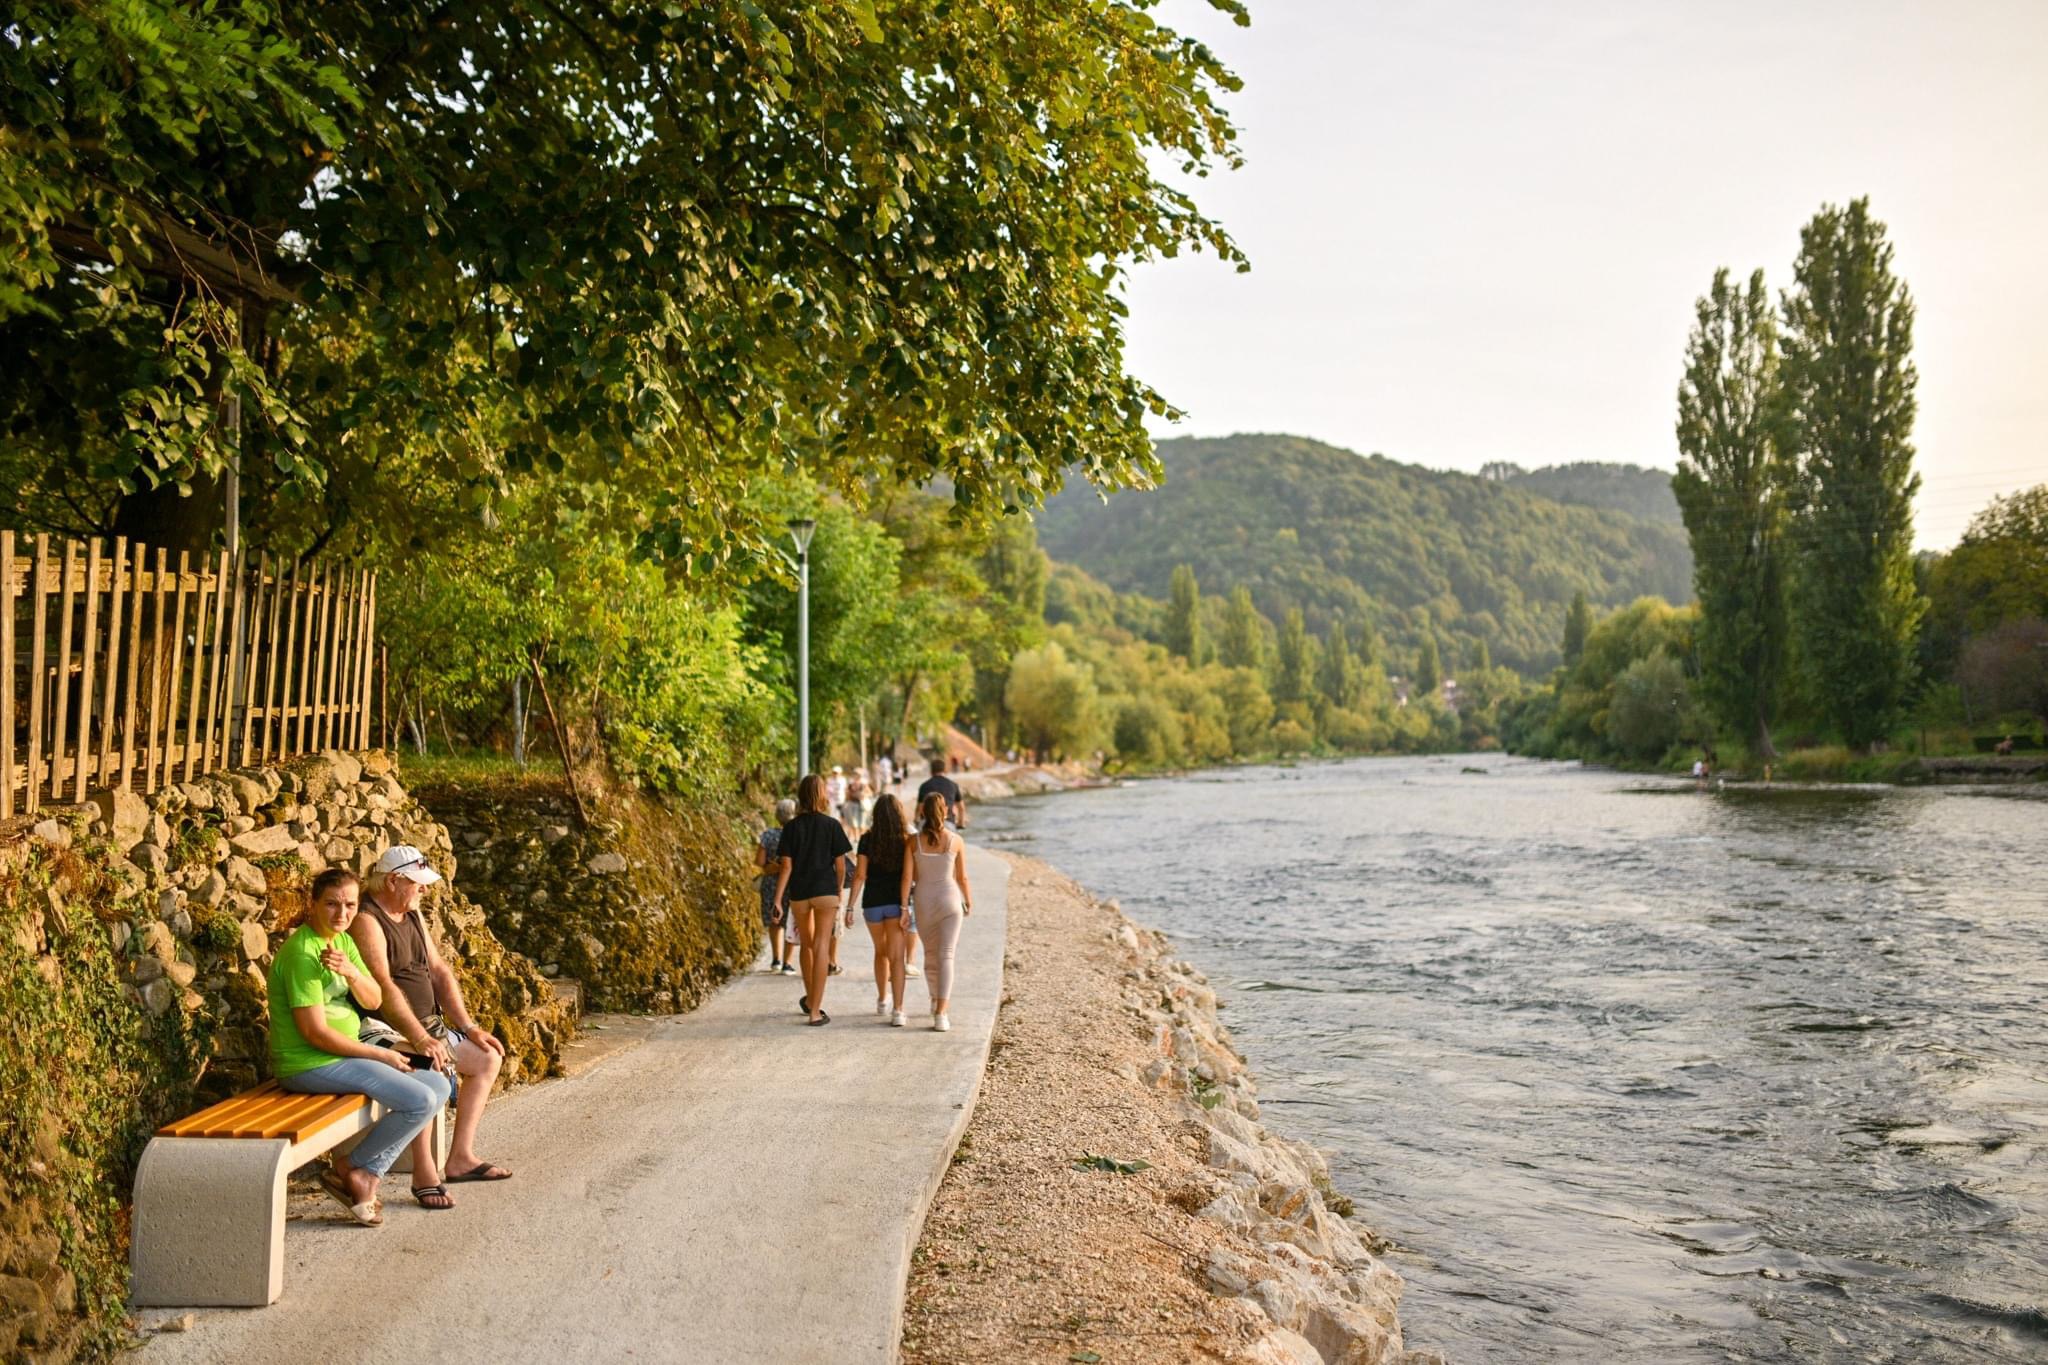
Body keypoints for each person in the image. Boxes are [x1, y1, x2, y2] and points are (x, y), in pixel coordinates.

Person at [270, 868, 452, 1227]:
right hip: (309, 1064)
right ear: (313, 904)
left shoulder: (341, 942)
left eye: (350, 905)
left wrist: (352, 974)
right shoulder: (303, 954)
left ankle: (359, 1168)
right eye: (332, 905)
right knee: (418, 1100)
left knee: (438, 1085)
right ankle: (359, 1171)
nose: (342, 914)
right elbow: (315, 1034)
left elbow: (372, 1000)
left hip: (343, 1055)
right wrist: (380, 1054)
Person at [348, 844, 512, 1209]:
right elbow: (383, 986)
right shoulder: (367, 920)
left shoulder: (413, 914)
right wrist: (421, 1039)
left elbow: (438, 970)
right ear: (393, 881)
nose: (424, 890)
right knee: (427, 1069)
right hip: (386, 1030)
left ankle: (460, 1158)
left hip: (429, 1026)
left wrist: (468, 1027)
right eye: (417, 883)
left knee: (487, 1058)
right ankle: (425, 1173)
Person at [773, 773, 852, 1026]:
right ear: (821, 795)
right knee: (821, 947)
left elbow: (786, 867)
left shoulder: (791, 828)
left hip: (799, 894)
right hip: (825, 892)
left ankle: (810, 1000)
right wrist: (839, 890)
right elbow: (840, 867)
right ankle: (815, 1011)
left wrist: (777, 900)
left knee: (807, 946)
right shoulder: (832, 825)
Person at [905, 791, 973, 1032]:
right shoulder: (956, 841)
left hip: (923, 902)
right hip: (950, 901)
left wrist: (904, 906)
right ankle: (941, 1013)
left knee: (931, 954)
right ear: (946, 811)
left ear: (922, 812)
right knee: (947, 955)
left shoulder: (913, 842)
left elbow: (908, 878)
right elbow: (962, 876)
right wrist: (968, 899)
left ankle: (936, 1000)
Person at [848, 793, 913, 1025]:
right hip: (897, 904)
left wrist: (849, 907)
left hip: (873, 904)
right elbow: (909, 875)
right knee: (897, 958)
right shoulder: (907, 840)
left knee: (880, 952)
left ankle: (882, 999)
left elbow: (860, 875)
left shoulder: (867, 839)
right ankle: (898, 1010)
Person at [756, 799, 797, 972]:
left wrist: (772, 866)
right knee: (790, 921)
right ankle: (788, 963)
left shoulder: (768, 835)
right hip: (793, 883)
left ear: (777, 816)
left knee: (775, 921)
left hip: (771, 883)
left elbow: (759, 861)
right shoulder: (797, 835)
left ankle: (776, 960)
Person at [917, 753, 967, 830]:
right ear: (945, 770)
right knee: (955, 840)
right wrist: (961, 823)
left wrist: (916, 819)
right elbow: (961, 808)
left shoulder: (924, 786)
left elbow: (919, 808)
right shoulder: (953, 785)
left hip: (926, 823)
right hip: (947, 823)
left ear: (931, 771)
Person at [842, 767, 869, 833]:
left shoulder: (864, 783)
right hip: (852, 804)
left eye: (858, 774)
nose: (856, 775)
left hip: (862, 804)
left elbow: (869, 792)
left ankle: (861, 837)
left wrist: (864, 795)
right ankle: (856, 839)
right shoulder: (851, 783)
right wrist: (847, 799)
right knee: (854, 822)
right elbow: (847, 793)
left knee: (862, 822)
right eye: (855, 774)